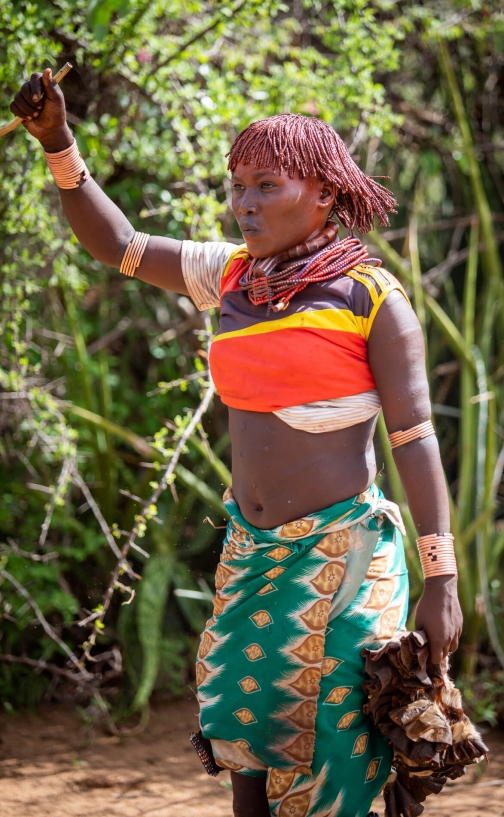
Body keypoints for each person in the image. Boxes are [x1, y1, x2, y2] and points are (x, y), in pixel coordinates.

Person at [11, 69, 463, 817]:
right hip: (253, 554)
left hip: (347, 558)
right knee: (246, 742)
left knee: (343, 733)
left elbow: (416, 440)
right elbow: (118, 245)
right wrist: (59, 143)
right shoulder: (229, 278)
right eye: (238, 185)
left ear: (323, 192)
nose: (245, 202)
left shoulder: (373, 300)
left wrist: (442, 579)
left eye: (266, 185)